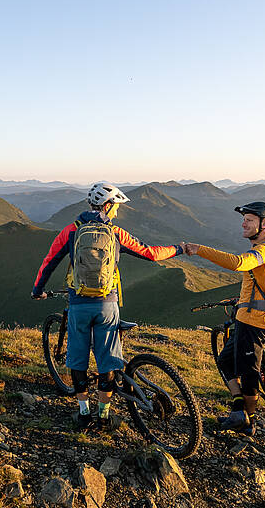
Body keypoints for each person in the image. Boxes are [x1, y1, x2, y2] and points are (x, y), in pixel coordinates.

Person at [32, 182, 184, 430]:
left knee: (78, 359)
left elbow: (49, 262)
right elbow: (151, 253)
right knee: (108, 360)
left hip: (79, 303)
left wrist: (38, 290)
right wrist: (178, 248)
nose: (116, 212)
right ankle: (103, 416)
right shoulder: (116, 233)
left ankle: (83, 414)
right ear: (108, 205)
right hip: (107, 304)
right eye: (115, 207)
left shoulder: (70, 231)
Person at [184, 201, 265, 436]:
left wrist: (199, 249)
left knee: (249, 375)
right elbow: (260, 283)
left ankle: (248, 423)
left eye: (249, 220)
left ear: (264, 223)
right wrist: (242, 301)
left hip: (254, 323)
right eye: (244, 219)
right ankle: (239, 407)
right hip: (248, 317)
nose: (243, 223)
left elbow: (239, 264)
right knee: (226, 361)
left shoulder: (263, 250)